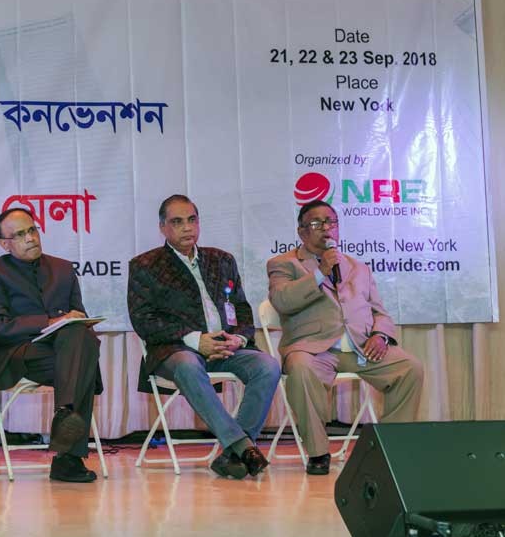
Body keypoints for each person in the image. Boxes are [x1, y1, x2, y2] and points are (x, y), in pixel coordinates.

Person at [128, 195, 280, 479]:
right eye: (177, 222)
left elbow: (243, 310)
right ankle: (242, 445)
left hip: (225, 348)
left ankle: (231, 454)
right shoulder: (145, 265)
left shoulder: (222, 260)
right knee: (187, 363)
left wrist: (239, 339)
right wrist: (196, 340)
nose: (187, 228)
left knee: (268, 365)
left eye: (192, 220)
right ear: (162, 227)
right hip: (175, 352)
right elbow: (144, 321)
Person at [267, 199, 424, 475]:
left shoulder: (358, 267)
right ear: (302, 232)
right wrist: (320, 273)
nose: (326, 228)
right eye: (317, 223)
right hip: (313, 349)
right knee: (301, 370)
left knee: (410, 368)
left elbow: (380, 312)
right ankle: (318, 453)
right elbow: (282, 301)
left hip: (361, 347)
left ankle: (387, 448)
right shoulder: (283, 263)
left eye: (331, 222)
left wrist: (380, 335)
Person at [0, 207, 102, 483]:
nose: (31, 238)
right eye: (20, 235)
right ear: (4, 243)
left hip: (61, 353)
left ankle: (64, 412)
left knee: (81, 336)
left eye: (32, 230)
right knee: (82, 362)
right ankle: (67, 459)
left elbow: (76, 315)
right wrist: (51, 321)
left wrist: (73, 322)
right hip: (18, 354)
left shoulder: (63, 268)